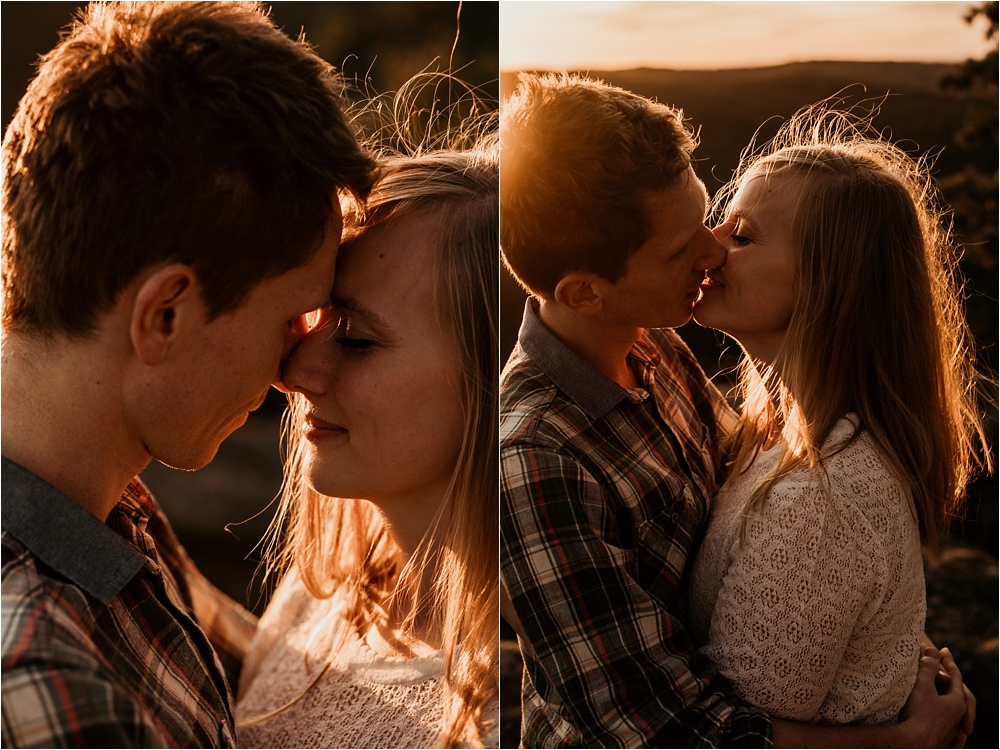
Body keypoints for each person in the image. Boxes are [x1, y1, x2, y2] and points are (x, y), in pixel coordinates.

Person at [498, 72, 974, 747]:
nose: (712, 247)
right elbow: (680, 737)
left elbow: (804, 537)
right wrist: (905, 741)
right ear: (584, 293)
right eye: (682, 245)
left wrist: (891, 642)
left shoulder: (657, 350)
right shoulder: (535, 462)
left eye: (721, 224)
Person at [1, 2, 374, 746]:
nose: (295, 371)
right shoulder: (45, 681)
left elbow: (277, 679)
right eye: (291, 320)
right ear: (165, 314)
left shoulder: (104, 510)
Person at [687, 104, 991, 725]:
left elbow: (736, 737)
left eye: (740, 235)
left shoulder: (823, 500)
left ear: (830, 282)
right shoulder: (779, 436)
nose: (707, 246)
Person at [235, 143, 500, 748]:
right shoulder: (322, 587)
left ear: (492, 379)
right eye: (316, 317)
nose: (295, 370)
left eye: (354, 337)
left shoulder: (503, 713)